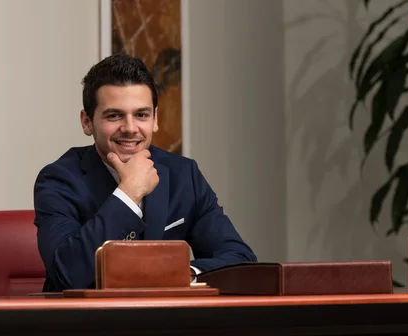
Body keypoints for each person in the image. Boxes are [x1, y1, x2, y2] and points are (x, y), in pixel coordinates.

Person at [33, 52, 257, 292]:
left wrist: (179, 273)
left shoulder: (184, 175)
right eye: (114, 115)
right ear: (87, 122)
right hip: (91, 325)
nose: (130, 128)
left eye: (141, 115)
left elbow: (241, 259)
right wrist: (129, 192)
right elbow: (68, 275)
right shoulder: (58, 180)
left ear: (155, 119)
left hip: (167, 325)